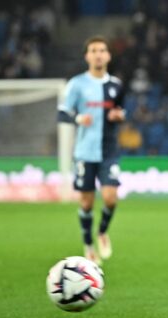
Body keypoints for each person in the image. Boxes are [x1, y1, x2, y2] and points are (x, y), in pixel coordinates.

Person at [57, 36, 125, 265]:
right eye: (93, 50)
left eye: (102, 50)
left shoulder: (116, 85)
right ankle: (88, 244)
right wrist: (78, 117)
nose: (98, 54)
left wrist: (119, 116)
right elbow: (62, 113)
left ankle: (102, 232)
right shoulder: (77, 84)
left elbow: (119, 112)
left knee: (110, 198)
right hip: (85, 151)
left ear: (108, 56)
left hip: (108, 150)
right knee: (86, 203)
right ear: (87, 56)